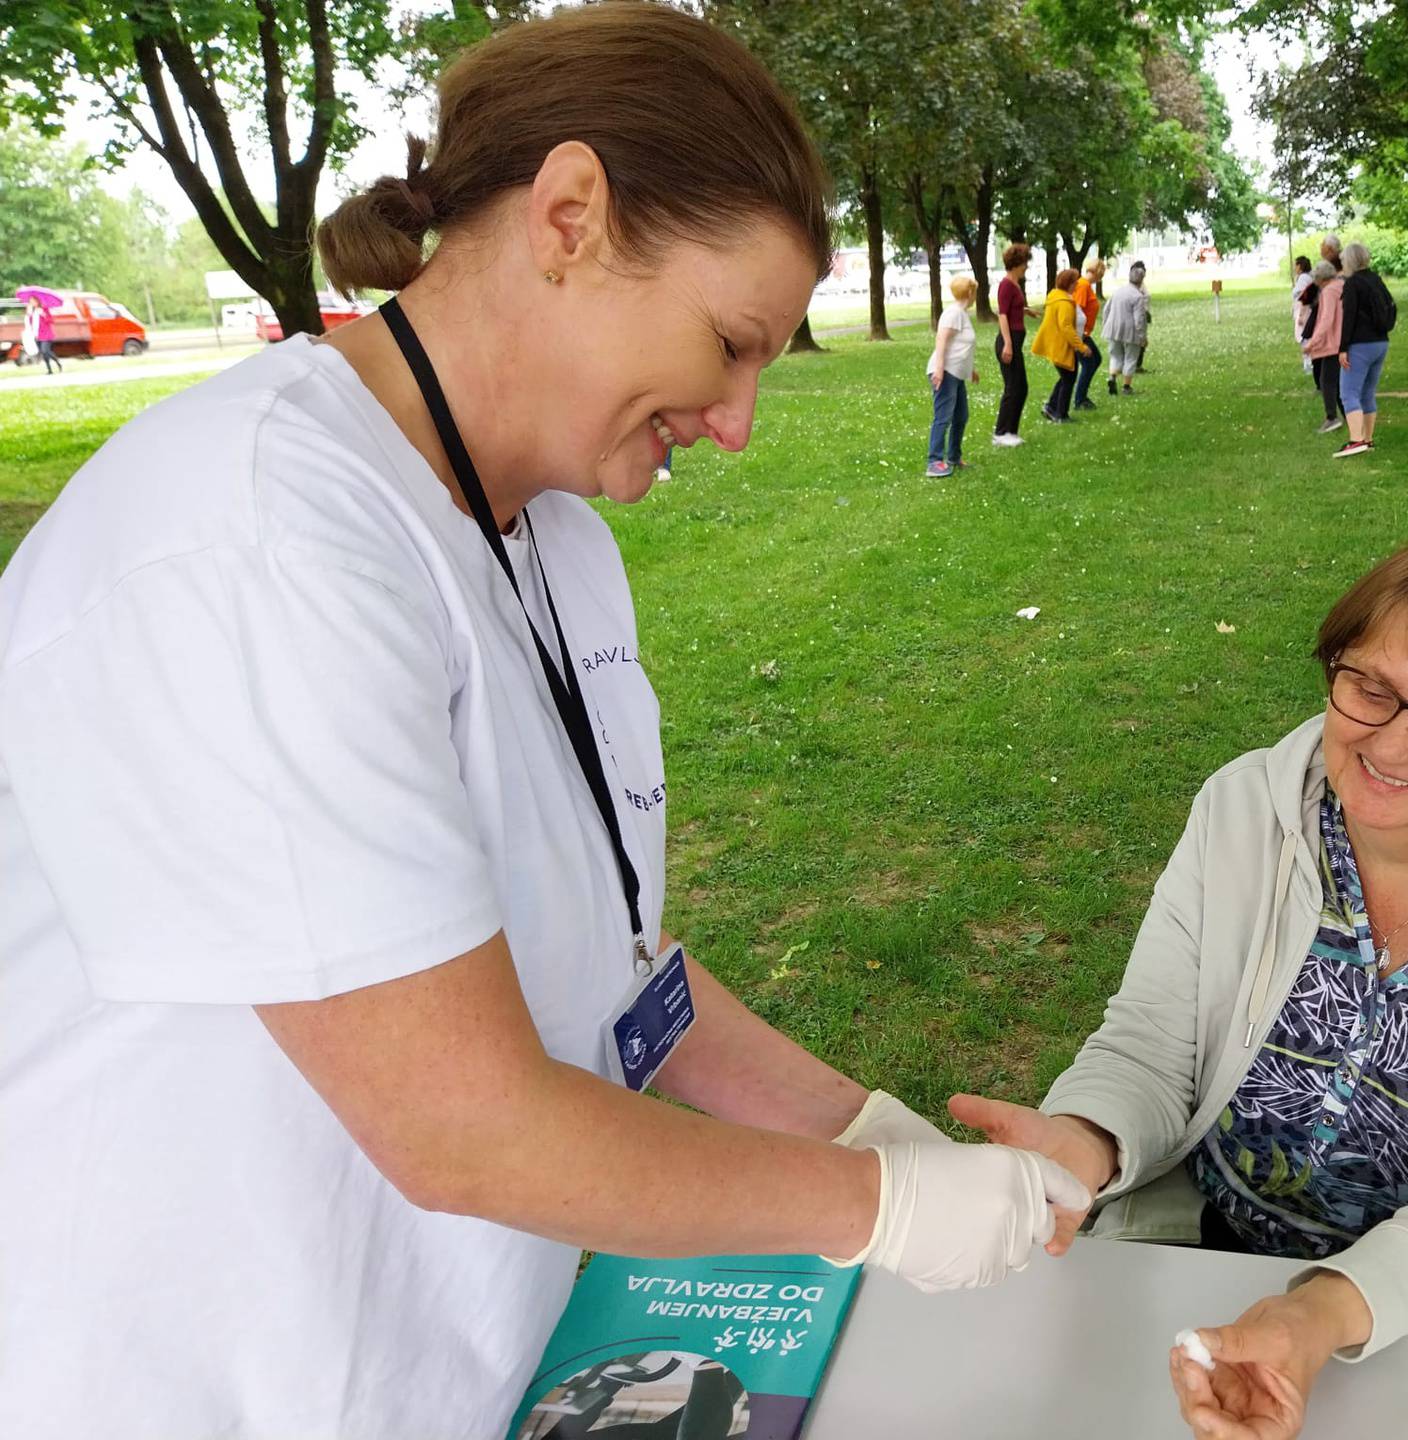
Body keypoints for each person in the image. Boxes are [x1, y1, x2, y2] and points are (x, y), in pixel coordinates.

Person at [0, 8, 1087, 1436]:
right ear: (570, 215)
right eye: (729, 341)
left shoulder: (554, 538)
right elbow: (464, 1125)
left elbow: (616, 966)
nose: (742, 418)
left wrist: (856, 1122)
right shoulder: (263, 531)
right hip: (199, 1381)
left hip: (437, 1365)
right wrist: (879, 1207)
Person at [950, 526, 1408, 1440]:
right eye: (1371, 688)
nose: (1392, 746)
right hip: (1204, 1262)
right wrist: (1083, 1141)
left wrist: (1318, 1313)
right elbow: (1152, 1044)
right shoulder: (1245, 807)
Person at [1336, 241, 1395, 458]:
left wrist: (1343, 348)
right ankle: (1368, 439)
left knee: (1349, 392)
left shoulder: (1353, 284)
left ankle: (1356, 439)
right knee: (1367, 392)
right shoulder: (1375, 280)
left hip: (1360, 344)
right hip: (1380, 342)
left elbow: (1348, 317)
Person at [926, 274, 979, 477]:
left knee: (961, 416)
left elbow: (961, 345)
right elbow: (942, 340)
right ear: (969, 292)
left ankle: (954, 457)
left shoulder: (962, 314)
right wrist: (939, 369)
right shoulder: (954, 313)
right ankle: (934, 461)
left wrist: (970, 370)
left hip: (956, 373)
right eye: (974, 292)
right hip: (946, 372)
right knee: (943, 416)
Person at [992, 242, 1040, 447]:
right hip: (1008, 340)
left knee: (1022, 387)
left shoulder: (1014, 284)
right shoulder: (1006, 284)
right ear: (1016, 263)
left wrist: (1026, 310)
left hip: (1015, 340)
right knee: (1013, 387)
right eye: (1024, 263)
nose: (1026, 267)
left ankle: (1011, 431)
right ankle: (1001, 433)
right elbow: (1002, 315)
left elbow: (1012, 308)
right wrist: (1008, 345)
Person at [1034, 266, 1089, 424]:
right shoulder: (1064, 302)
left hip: (1055, 344)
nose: (1077, 285)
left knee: (1066, 377)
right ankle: (1061, 414)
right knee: (1069, 377)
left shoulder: (1055, 297)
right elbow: (1066, 327)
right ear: (1069, 284)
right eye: (1075, 282)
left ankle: (1051, 407)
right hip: (1061, 345)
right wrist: (1082, 347)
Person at [1302, 260, 1344, 434]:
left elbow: (1326, 319)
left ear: (1320, 278)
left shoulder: (1328, 292)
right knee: (1339, 383)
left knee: (1327, 381)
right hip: (1343, 340)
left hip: (1332, 343)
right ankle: (1348, 416)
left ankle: (1331, 417)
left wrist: (1312, 342)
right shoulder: (1342, 285)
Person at [1101, 261, 1150, 396]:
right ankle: (1126, 386)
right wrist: (1142, 338)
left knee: (1115, 355)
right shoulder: (1138, 296)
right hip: (1130, 331)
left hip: (1113, 328)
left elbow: (1106, 310)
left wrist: (1106, 325)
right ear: (1141, 280)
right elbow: (1139, 320)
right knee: (1130, 358)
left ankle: (1112, 377)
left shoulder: (1118, 291)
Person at [1070, 259, 1106, 412]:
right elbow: (1076, 310)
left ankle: (1081, 397)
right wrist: (1080, 337)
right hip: (1080, 333)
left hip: (1084, 332)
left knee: (1095, 360)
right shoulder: (1083, 286)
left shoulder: (1086, 286)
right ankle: (1080, 399)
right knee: (1090, 363)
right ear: (1099, 272)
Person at [1290, 256, 1314, 375]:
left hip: (1303, 311)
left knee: (1304, 336)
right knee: (1305, 336)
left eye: (1296, 265)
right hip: (1303, 310)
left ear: (1300, 266)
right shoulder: (1306, 277)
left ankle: (1308, 363)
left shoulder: (1304, 278)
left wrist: (1301, 315)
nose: (1295, 268)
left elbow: (1303, 296)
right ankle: (1308, 362)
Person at [26, 297, 61, 374]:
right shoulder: (32, 311)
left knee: (45, 351)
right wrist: (29, 315)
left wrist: (43, 314)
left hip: (46, 334)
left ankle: (57, 363)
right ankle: (50, 370)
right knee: (44, 352)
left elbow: (51, 320)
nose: (32, 303)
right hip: (37, 334)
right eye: (30, 302)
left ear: (37, 301)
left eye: (33, 301)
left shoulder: (44, 309)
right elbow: (31, 323)